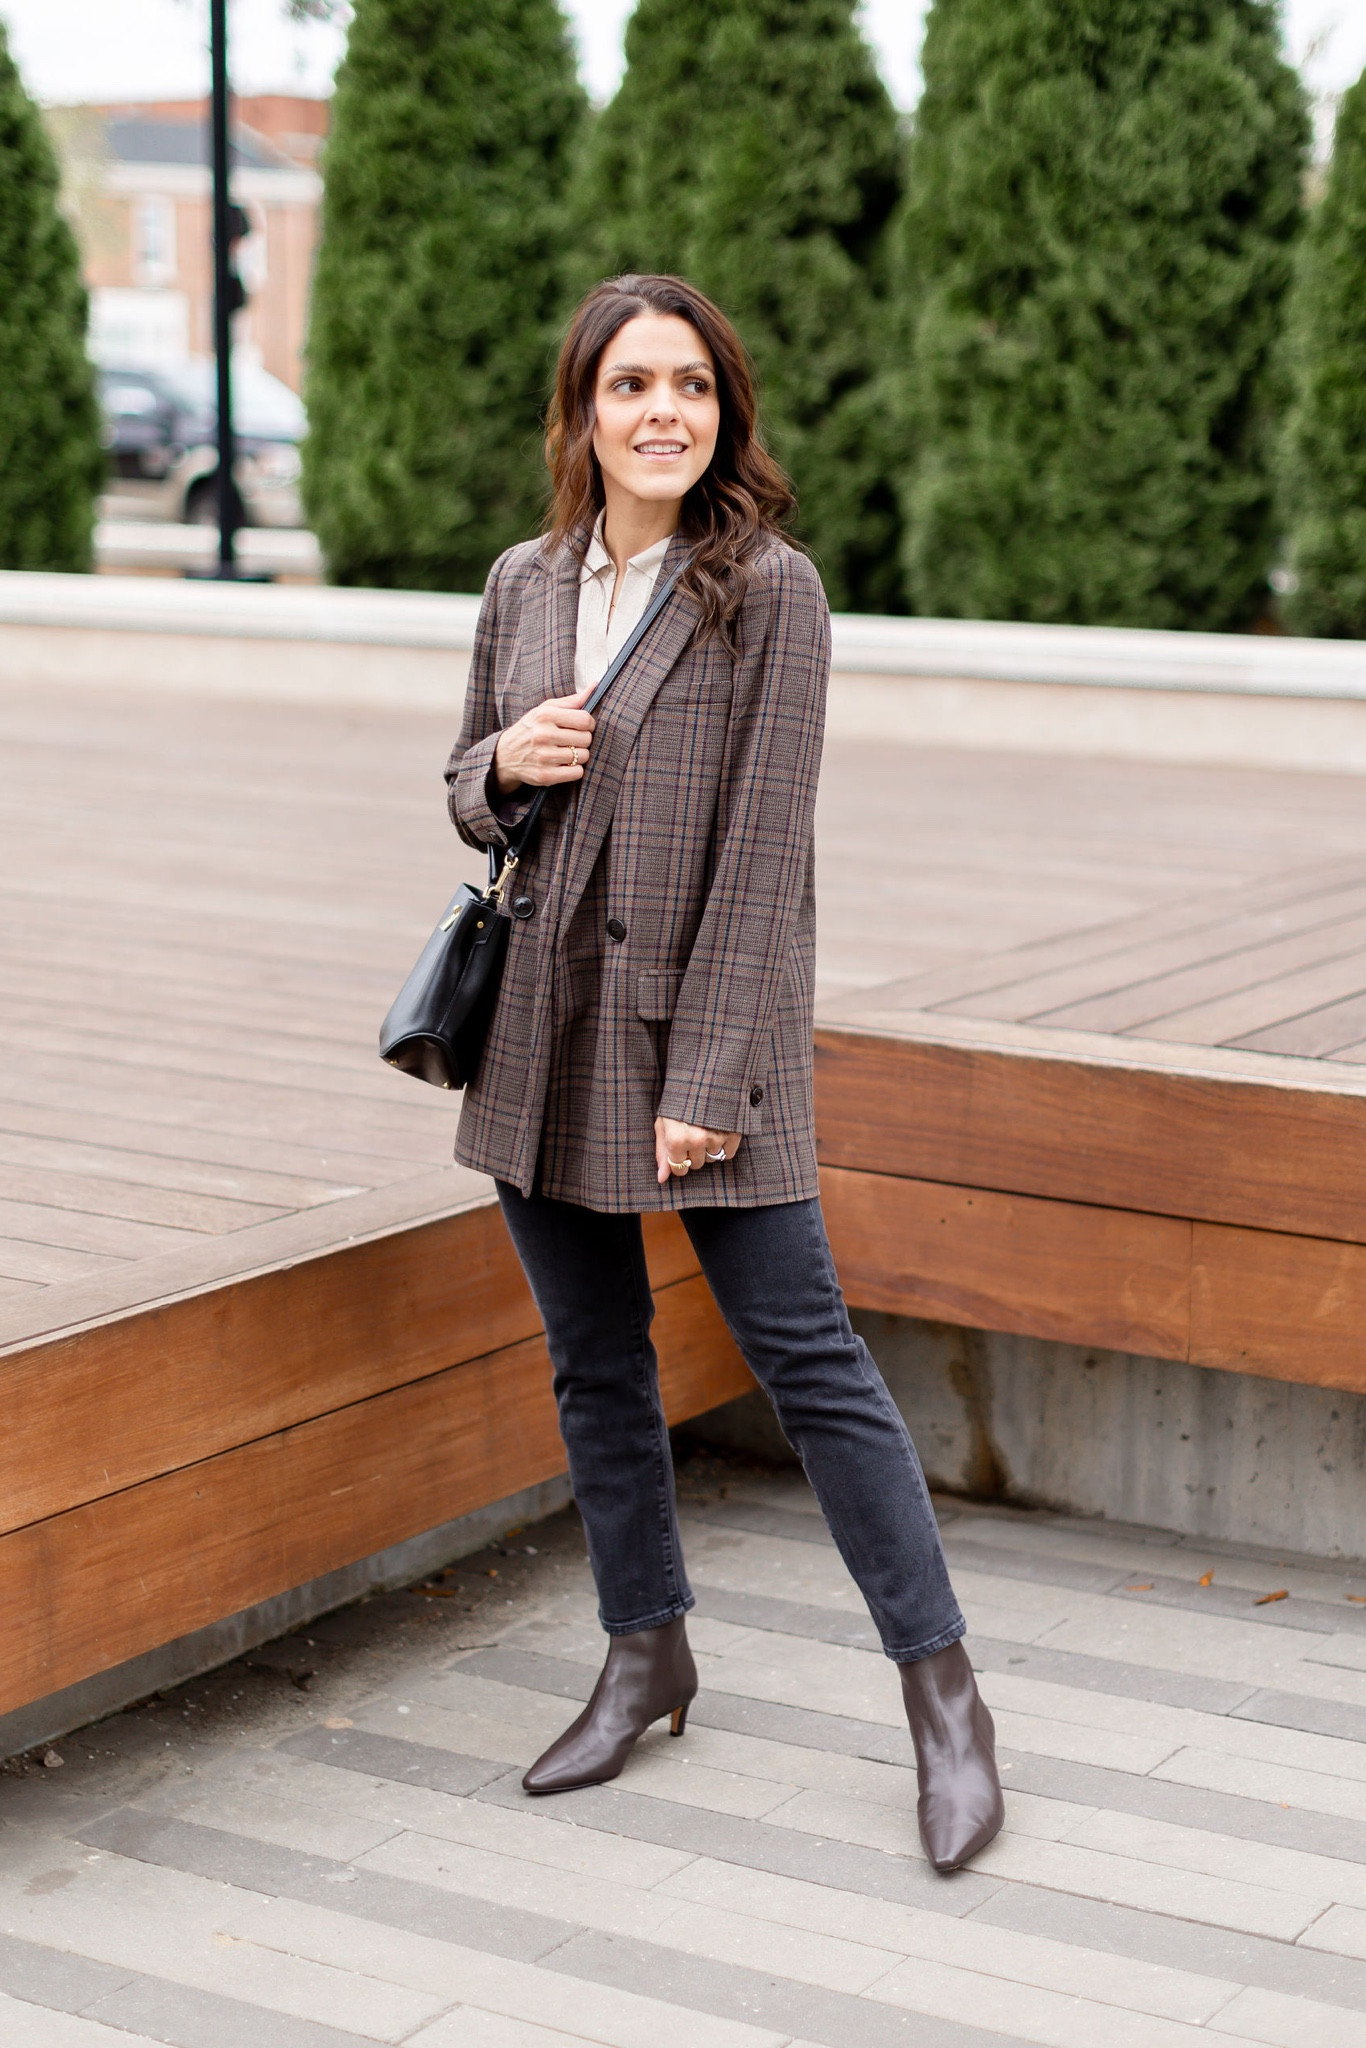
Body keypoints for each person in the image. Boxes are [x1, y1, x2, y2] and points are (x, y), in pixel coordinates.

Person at [444, 274, 1004, 1873]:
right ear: (583, 412)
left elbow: (767, 859)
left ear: (723, 410)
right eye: (630, 384)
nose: (662, 412)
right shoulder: (523, 582)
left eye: (689, 384)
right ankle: (644, 1656)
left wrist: (707, 1078)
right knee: (593, 1364)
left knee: (811, 1365)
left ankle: (946, 1703)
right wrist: (501, 766)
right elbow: (465, 787)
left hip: (699, 1054)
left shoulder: (770, 592)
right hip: (540, 1034)